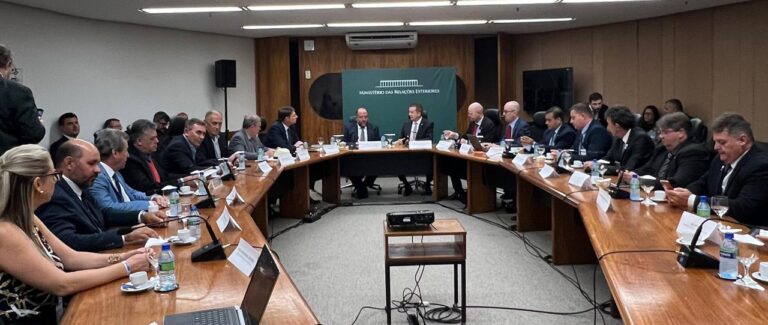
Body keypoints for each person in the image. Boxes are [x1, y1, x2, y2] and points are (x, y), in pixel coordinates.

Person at [0, 144, 152, 324]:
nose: (57, 181)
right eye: (54, 175)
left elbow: (72, 258)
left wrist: (124, 257)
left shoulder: (29, 218)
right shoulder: (5, 231)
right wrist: (127, 267)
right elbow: (62, 284)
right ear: (38, 184)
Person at [36, 139, 159, 252]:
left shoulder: (80, 186)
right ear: (69, 163)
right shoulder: (54, 195)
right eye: (91, 164)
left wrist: (142, 216)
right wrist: (124, 238)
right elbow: (68, 241)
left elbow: (102, 215)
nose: (98, 170)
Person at [666, 113, 768, 226]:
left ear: (742, 140)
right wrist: (686, 192)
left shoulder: (761, 166)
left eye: (722, 142)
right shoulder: (720, 159)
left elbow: (744, 206)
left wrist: (693, 201)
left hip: (748, 231)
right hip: (719, 224)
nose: (716, 147)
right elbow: (704, 182)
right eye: (715, 142)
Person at [88, 129, 169, 213]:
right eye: (126, 150)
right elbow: (109, 208)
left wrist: (153, 197)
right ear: (115, 153)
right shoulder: (98, 176)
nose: (128, 155)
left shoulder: (116, 172)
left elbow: (131, 193)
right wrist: (150, 204)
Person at [625, 112, 709, 189]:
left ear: (681, 133)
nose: (661, 136)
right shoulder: (662, 149)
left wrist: (640, 181)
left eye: (665, 132)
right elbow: (647, 168)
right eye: (660, 132)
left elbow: (676, 183)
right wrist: (631, 174)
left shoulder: (694, 152)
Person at [123, 119, 197, 195]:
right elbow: (148, 187)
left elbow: (165, 176)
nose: (157, 141)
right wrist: (181, 182)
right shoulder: (130, 160)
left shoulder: (150, 154)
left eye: (156, 137)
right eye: (152, 138)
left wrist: (186, 178)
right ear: (139, 141)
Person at [443, 102, 498, 203]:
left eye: (470, 113)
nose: (468, 115)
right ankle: (459, 191)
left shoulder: (488, 124)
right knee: (450, 163)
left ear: (479, 112)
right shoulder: (473, 123)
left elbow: (486, 143)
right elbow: (465, 136)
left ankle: (473, 196)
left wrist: (468, 142)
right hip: (471, 154)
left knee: (465, 167)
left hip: (483, 158)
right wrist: (454, 135)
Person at [0, 44, 45, 156]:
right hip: (5, 163)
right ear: (8, 63)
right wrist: (38, 124)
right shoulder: (18, 92)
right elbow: (33, 134)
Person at [584, 106, 653, 173]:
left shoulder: (641, 139)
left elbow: (628, 168)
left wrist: (598, 167)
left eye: (608, 124)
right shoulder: (619, 137)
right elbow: (608, 158)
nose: (607, 128)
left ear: (617, 126)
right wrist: (595, 163)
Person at [160, 118, 230, 177]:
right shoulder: (178, 145)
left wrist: (223, 162)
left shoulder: (193, 143)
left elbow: (202, 162)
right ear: (186, 132)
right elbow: (190, 169)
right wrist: (217, 168)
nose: (202, 137)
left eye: (204, 134)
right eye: (198, 132)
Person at [394, 103, 434, 197]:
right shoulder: (406, 124)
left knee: (431, 162)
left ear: (419, 113)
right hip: (407, 154)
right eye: (409, 112)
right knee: (395, 161)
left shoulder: (428, 124)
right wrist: (400, 141)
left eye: (412, 112)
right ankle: (407, 186)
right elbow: (403, 138)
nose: (409, 114)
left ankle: (427, 186)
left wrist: (413, 143)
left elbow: (429, 139)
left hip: (422, 154)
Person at [343, 107, 381, 198]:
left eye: (365, 117)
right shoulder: (348, 128)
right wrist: (353, 144)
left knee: (379, 165)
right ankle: (362, 188)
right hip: (354, 157)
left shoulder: (374, 127)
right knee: (348, 166)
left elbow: (378, 143)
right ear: (356, 118)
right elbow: (344, 142)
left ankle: (361, 187)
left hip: (370, 157)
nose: (364, 119)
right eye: (361, 117)